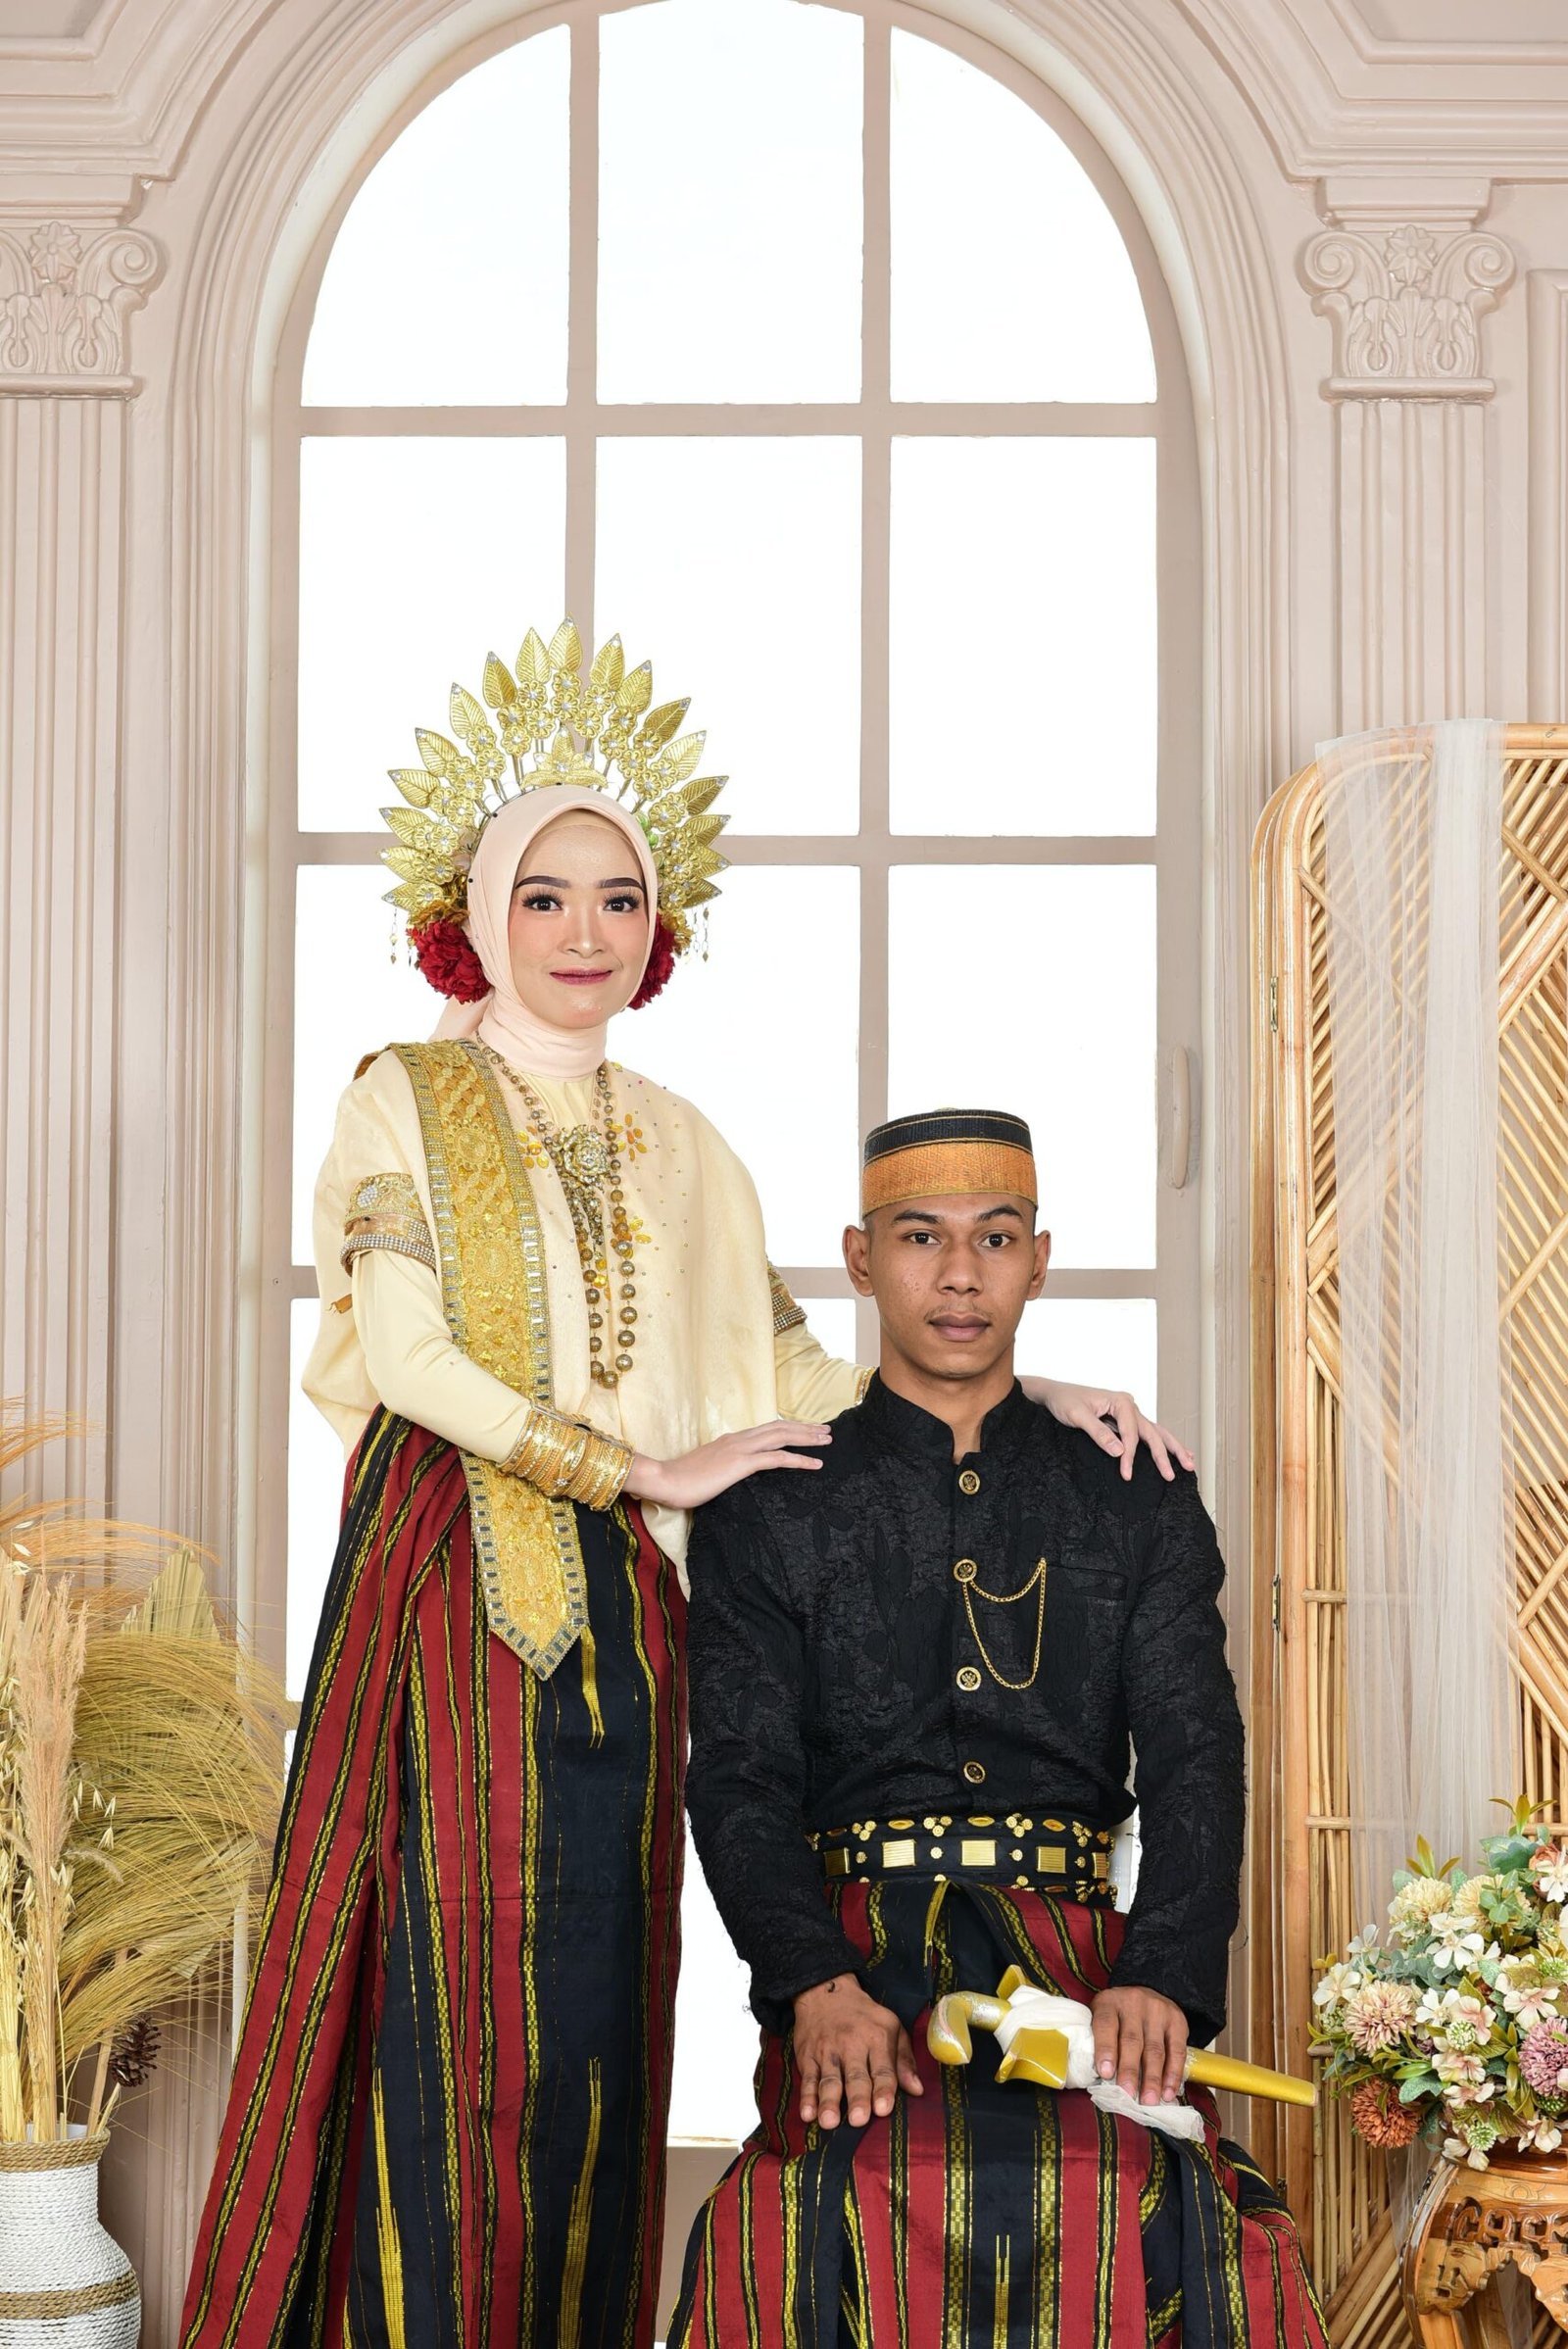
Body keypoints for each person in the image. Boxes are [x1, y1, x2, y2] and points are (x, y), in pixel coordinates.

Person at [179, 625, 1189, 2349]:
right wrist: (637, 1464)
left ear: (660, 928)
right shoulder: (402, 1098)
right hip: (451, 1576)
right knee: (444, 1990)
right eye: (548, 897)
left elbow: (795, 1377)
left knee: (595, 1996)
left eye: (621, 900)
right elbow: (405, 1351)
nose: (586, 932)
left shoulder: (684, 1140)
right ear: (480, 910)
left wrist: (1023, 1388)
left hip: (631, 1612)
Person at [670, 1109, 1328, 2349]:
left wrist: (1162, 1977)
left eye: (996, 1237)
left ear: (1039, 1260)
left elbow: (1196, 1754)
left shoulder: (1134, 1495)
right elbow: (740, 1778)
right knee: (811, 2208)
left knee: (1168, 2205)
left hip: (1081, 1959)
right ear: (861, 1259)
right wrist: (811, 1983)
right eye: (920, 1237)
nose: (960, 1275)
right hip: (860, 1960)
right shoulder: (770, 1507)